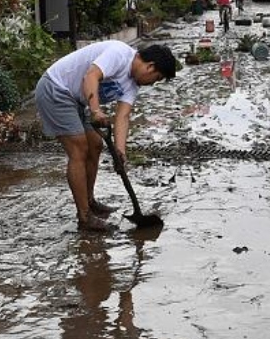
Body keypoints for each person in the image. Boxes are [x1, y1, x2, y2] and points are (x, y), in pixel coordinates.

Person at [34, 41, 178, 231]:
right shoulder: (118, 54)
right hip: (56, 88)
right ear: (150, 67)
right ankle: (84, 217)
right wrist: (95, 111)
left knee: (95, 144)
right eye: (156, 78)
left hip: (78, 99)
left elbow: (123, 116)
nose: (152, 83)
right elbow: (91, 75)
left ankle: (90, 201)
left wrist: (120, 151)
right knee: (79, 148)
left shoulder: (133, 85)